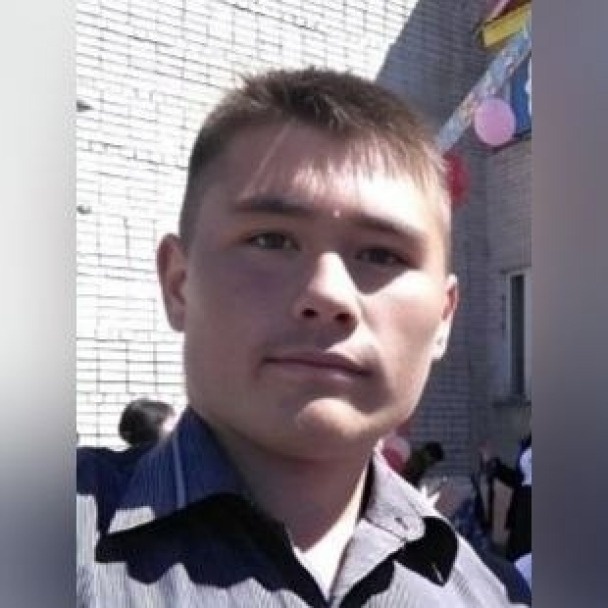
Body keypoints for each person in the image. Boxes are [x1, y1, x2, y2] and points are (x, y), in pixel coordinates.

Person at [77, 67, 527, 606]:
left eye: (381, 254)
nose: (328, 294)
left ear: (444, 317)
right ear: (179, 283)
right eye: (272, 240)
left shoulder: (490, 595)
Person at [481, 433, 532, 561]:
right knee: (519, 555)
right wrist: (494, 464)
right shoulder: (527, 443)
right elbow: (517, 479)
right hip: (523, 505)